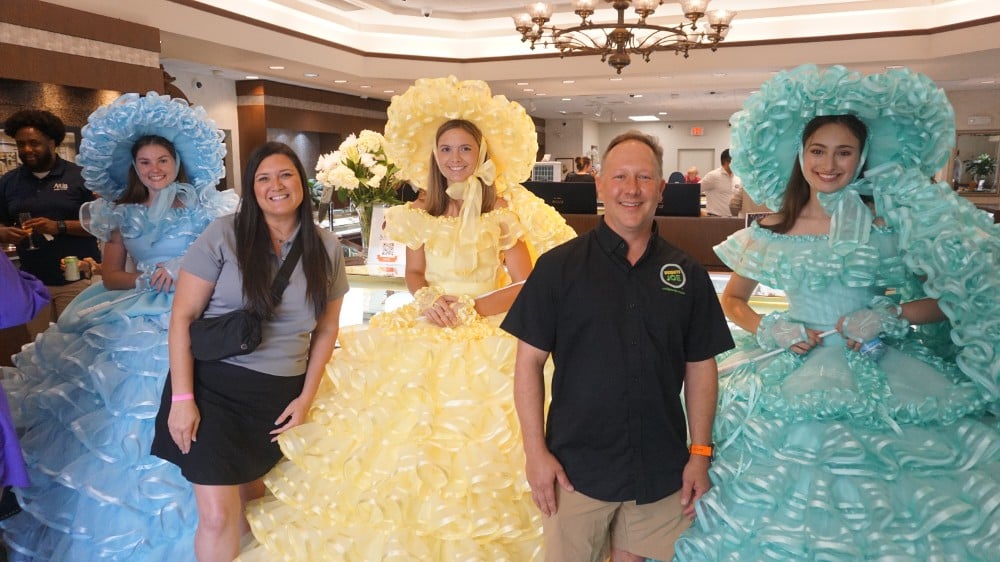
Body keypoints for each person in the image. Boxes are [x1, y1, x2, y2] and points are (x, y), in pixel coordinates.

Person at [237, 76, 576, 561]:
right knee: (395, 444)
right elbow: (414, 275)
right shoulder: (419, 209)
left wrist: (473, 307)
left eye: (463, 148)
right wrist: (429, 301)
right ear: (434, 156)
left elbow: (530, 284)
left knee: (476, 447)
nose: (454, 158)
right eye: (445, 149)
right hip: (426, 323)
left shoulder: (500, 208)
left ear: (480, 154)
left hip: (486, 331)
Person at [674, 65, 1000, 561]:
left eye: (843, 152)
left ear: (862, 157)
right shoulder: (773, 228)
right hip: (792, 363)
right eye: (818, 151)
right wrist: (771, 326)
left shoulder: (886, 224)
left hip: (884, 363)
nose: (830, 164)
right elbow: (733, 300)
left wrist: (892, 315)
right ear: (800, 156)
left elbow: (946, 301)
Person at [0, 93, 238, 560]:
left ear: (178, 161)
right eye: (145, 161)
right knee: (113, 408)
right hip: (131, 310)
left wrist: (184, 271)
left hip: (195, 310)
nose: (154, 169)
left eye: (163, 160)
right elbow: (111, 276)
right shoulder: (119, 212)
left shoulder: (206, 208)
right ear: (134, 166)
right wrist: (148, 275)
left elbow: (227, 262)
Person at [502, 130, 735, 562]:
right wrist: (535, 453)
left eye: (645, 178)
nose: (632, 189)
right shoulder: (557, 268)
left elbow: (701, 366)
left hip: (661, 473)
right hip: (574, 472)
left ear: (662, 190)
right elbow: (528, 364)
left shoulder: (687, 273)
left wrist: (699, 454)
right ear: (599, 184)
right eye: (621, 177)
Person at [149, 142, 348, 562]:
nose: (276, 186)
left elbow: (327, 328)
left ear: (302, 183)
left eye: (286, 175)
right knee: (219, 515)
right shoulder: (225, 233)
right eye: (264, 178)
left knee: (256, 506)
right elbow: (182, 317)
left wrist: (306, 398)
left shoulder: (327, 247)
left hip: (277, 398)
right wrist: (183, 400)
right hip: (212, 390)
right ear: (252, 189)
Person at [0, 109, 100, 337]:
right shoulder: (8, 182)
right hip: (32, 284)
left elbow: (102, 225)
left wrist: (59, 226)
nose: (27, 150)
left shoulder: (80, 177)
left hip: (76, 281)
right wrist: (5, 233)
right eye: (21, 144)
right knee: (39, 351)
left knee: (76, 348)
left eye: (34, 143)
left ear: (52, 142)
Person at [700, 149, 742, 217]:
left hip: (733, 219)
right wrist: (698, 211)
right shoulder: (713, 176)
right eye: (736, 161)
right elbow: (693, 191)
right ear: (727, 162)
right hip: (715, 218)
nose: (739, 164)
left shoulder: (738, 178)